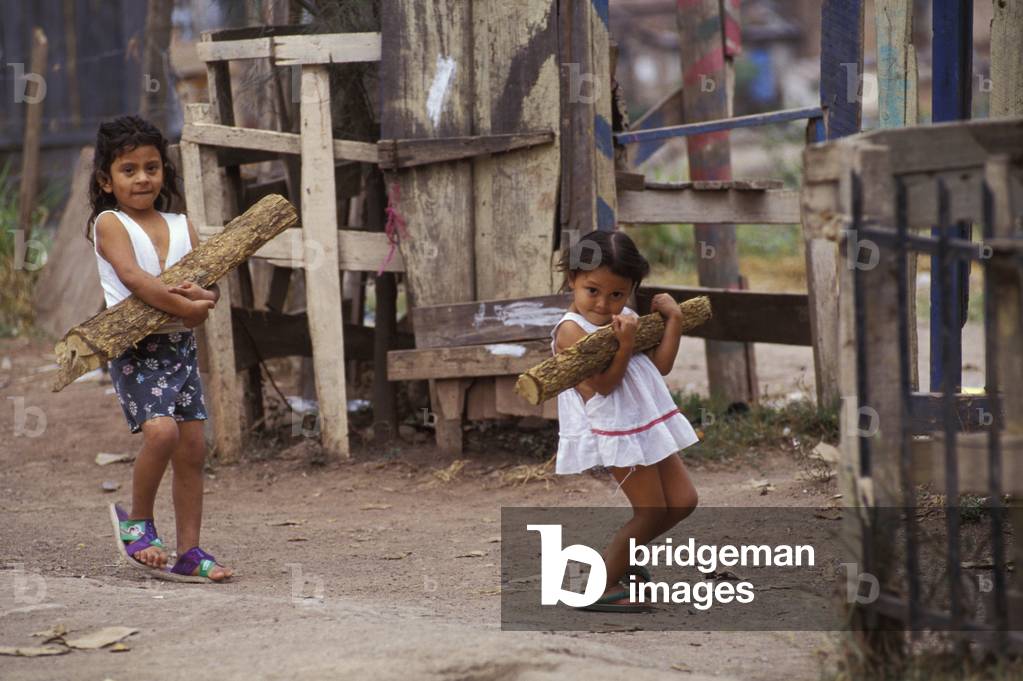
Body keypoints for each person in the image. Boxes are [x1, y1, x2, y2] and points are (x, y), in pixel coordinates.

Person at [88, 115, 233, 582]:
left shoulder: (181, 224)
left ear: (164, 172)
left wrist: (204, 303)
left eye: (152, 167)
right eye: (129, 170)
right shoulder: (109, 224)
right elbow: (135, 280)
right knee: (162, 434)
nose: (143, 178)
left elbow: (207, 285)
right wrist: (190, 308)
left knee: (192, 448)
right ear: (105, 181)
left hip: (180, 350)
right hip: (137, 350)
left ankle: (189, 551)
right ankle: (138, 525)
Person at [550, 229, 699, 611]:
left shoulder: (626, 317)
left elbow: (660, 366)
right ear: (573, 281)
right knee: (650, 511)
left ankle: (620, 560)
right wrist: (626, 344)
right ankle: (592, 583)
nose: (603, 303)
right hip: (616, 430)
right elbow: (603, 386)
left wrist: (675, 319)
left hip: (647, 424)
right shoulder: (571, 331)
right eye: (592, 290)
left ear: (632, 288)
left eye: (616, 294)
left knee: (683, 501)